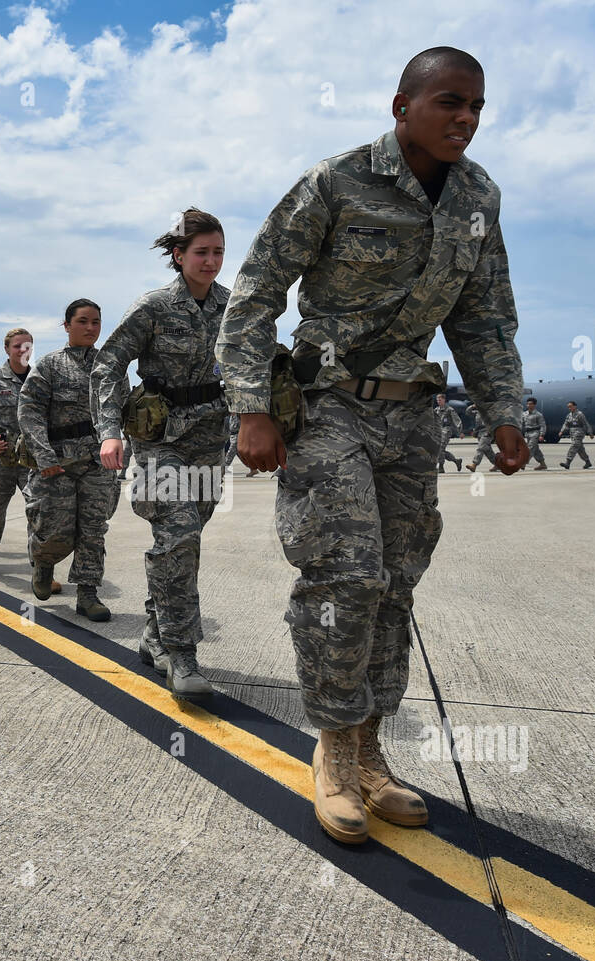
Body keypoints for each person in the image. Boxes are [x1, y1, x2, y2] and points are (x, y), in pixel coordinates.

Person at [216, 47, 527, 844]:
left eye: (477, 107)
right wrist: (253, 407)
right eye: (451, 102)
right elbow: (254, 294)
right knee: (345, 575)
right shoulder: (338, 181)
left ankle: (370, 751)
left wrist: (503, 411)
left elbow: (483, 315)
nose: (467, 118)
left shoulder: (479, 197)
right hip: (328, 410)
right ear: (403, 106)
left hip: (413, 418)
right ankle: (331, 749)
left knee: (396, 584)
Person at [93, 208, 230, 699]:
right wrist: (109, 431)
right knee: (179, 535)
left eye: (217, 252)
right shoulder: (153, 307)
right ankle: (181, 653)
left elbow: (248, 367)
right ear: (178, 255)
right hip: (159, 441)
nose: (211, 261)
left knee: (184, 544)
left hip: (210, 442)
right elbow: (109, 363)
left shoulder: (230, 307)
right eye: (201, 252)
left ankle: (154, 633)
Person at [18, 299, 120, 621]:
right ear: (67, 325)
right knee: (52, 527)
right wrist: (44, 455)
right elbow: (29, 412)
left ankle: (88, 594)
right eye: (83, 321)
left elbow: (119, 410)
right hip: (57, 464)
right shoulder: (49, 366)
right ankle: (44, 564)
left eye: (96, 322)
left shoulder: (109, 367)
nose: (90, 328)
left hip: (96, 463)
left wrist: (120, 450)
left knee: (93, 528)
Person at [0, 328, 59, 587]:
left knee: (39, 512)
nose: (22, 350)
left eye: (27, 346)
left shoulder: (41, 380)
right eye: (17, 346)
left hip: (30, 458)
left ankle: (40, 569)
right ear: (7, 349)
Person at [557, 401, 592, 468]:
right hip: (572, 433)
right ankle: (587, 462)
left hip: (579, 432)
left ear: (575, 406)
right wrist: (561, 431)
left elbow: (585, 423)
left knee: (574, 446)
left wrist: (590, 433)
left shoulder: (580, 414)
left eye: (570, 406)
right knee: (580, 449)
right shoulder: (569, 415)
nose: (569, 408)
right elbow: (566, 424)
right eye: (568, 407)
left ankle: (568, 462)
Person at [464, 403, 496, 472]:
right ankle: (498, 464)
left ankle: (474, 465)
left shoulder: (490, 412)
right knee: (487, 450)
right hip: (479, 433)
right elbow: (467, 412)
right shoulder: (477, 412)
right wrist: (473, 406)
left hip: (488, 432)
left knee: (480, 448)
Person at [435, 394, 463, 472]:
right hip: (438, 431)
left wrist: (460, 432)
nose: (438, 402)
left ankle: (441, 467)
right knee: (440, 450)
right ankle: (456, 461)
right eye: (437, 400)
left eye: (440, 400)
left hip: (446, 430)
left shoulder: (449, 409)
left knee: (440, 447)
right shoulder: (436, 410)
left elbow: (457, 420)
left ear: (444, 400)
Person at [521, 396, 547, 470]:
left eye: (531, 404)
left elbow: (543, 425)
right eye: (528, 404)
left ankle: (523, 463)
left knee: (530, 448)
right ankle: (543, 464)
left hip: (535, 433)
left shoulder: (538, 414)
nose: (529, 405)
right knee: (535, 450)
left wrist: (542, 435)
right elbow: (521, 424)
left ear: (534, 405)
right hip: (528, 433)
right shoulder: (524, 414)